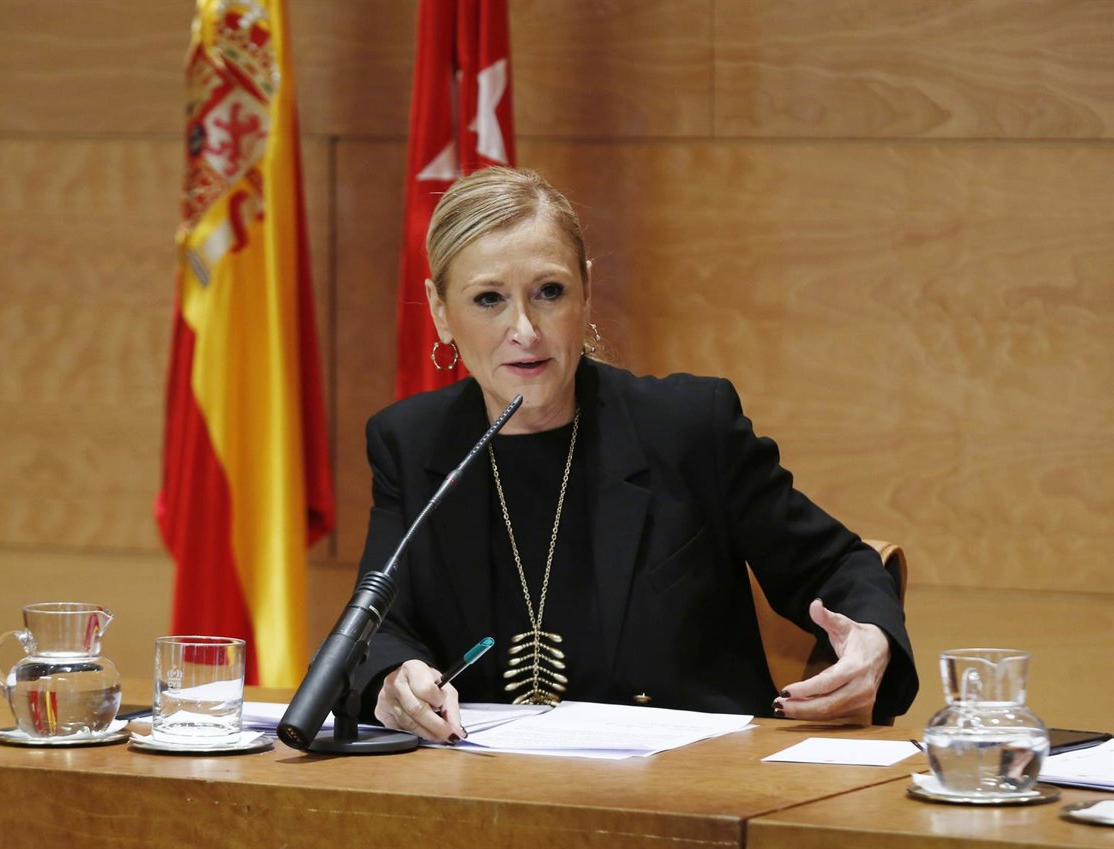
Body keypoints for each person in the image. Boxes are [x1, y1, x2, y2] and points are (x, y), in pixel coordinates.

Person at [353, 166, 917, 744]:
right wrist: (393, 679)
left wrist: (870, 639)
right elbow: (376, 627)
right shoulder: (412, 443)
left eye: (549, 292)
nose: (524, 329)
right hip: (484, 783)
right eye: (488, 299)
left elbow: (836, 566)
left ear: (586, 291)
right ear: (440, 311)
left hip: (692, 777)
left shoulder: (686, 427)